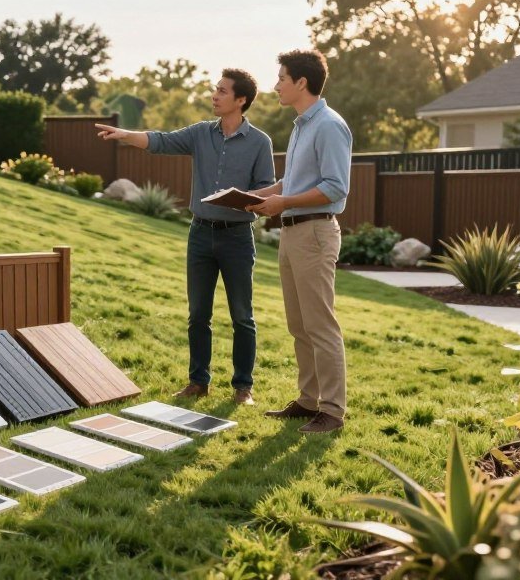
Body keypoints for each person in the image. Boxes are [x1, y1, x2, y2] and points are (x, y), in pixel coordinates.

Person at [96, 69, 275, 405]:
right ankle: (198, 382)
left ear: (241, 100)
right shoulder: (199, 133)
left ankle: (243, 388)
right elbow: (160, 140)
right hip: (200, 235)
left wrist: (242, 199)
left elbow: (266, 189)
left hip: (237, 237)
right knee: (198, 314)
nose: (214, 95)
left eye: (222, 91)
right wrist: (124, 134)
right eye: (215, 89)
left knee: (242, 315)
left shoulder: (260, 142)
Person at [247, 49, 352, 434]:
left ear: (301, 83)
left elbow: (335, 187)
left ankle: (333, 411)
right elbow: (293, 182)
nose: (275, 86)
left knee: (320, 324)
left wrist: (283, 201)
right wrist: (258, 196)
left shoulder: (329, 125)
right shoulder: (301, 126)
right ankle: (309, 401)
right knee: (299, 324)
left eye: (281, 79)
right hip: (293, 233)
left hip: (315, 233)